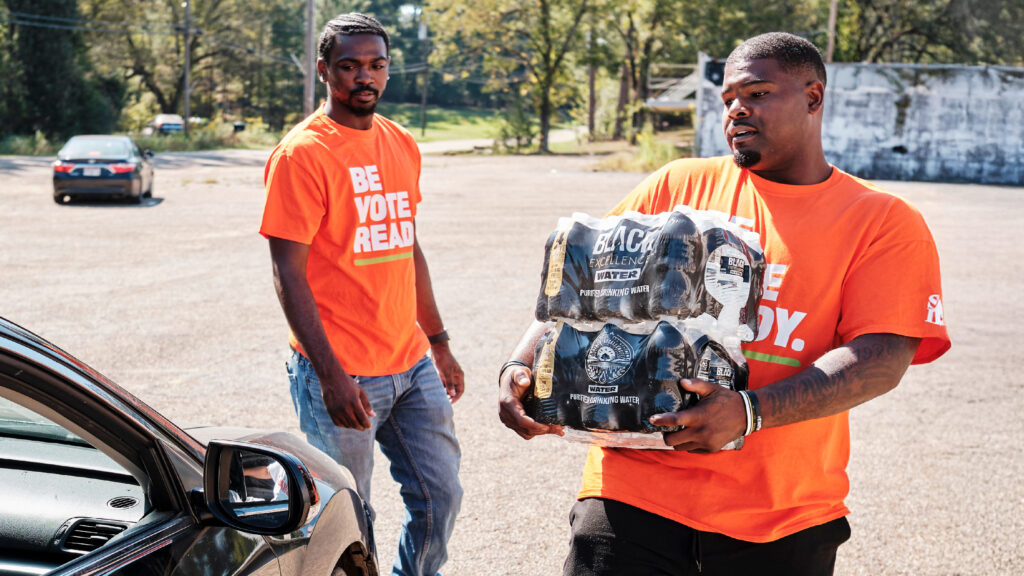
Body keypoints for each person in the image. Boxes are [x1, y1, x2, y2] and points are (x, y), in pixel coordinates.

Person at [498, 32, 950, 576]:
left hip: (782, 518)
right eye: (729, 98)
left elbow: (881, 358)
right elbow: (581, 288)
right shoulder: (677, 187)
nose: (737, 108)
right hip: (630, 501)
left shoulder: (880, 221)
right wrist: (522, 363)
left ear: (813, 96)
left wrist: (749, 412)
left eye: (757, 93)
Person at [260, 13, 463, 576]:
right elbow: (287, 274)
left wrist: (439, 343)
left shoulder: (399, 141)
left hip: (411, 364)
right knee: (350, 517)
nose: (363, 78)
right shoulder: (303, 154)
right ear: (325, 71)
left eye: (376, 65)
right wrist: (329, 375)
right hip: (343, 371)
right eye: (349, 66)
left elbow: (407, 247)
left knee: (441, 495)